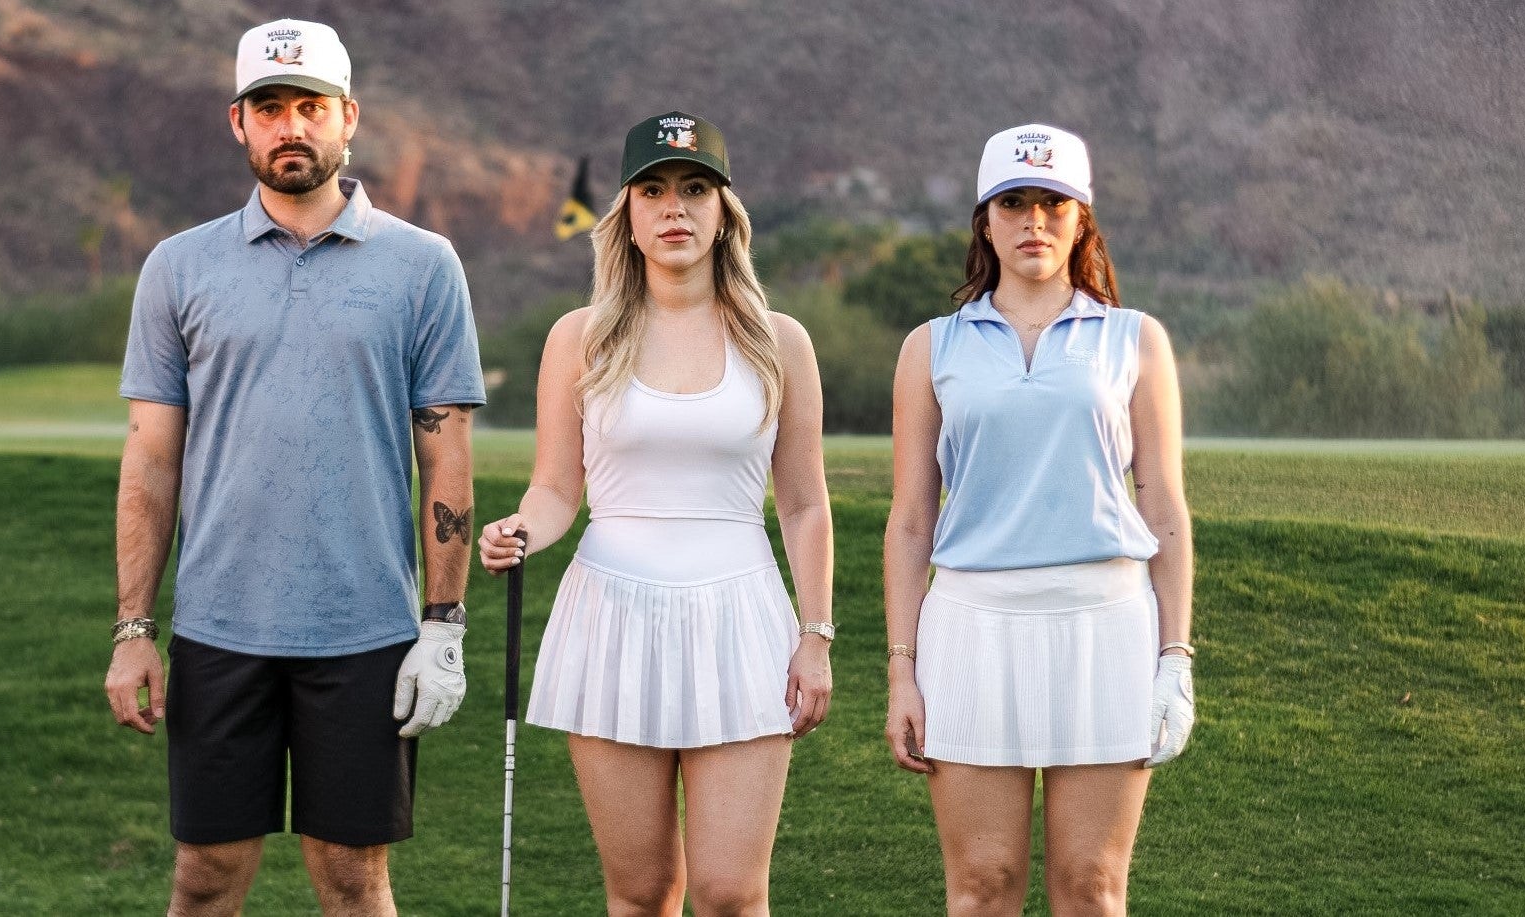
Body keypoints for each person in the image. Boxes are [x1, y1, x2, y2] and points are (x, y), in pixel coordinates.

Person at [103, 18, 486, 917]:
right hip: (219, 629)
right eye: (269, 107)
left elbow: (446, 455)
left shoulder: (423, 266)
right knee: (204, 875)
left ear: (348, 116)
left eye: (310, 106)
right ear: (238, 122)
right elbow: (151, 460)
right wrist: (133, 628)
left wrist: (444, 624)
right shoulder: (178, 266)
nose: (291, 127)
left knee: (354, 878)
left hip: (363, 632)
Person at [477, 110, 835, 917]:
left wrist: (815, 634)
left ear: (724, 213)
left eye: (696, 188)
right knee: (640, 893)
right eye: (654, 190)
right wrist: (521, 528)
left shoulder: (780, 341)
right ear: (628, 216)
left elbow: (805, 503)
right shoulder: (580, 338)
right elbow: (556, 488)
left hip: (742, 619)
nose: (675, 206)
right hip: (611, 617)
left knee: (731, 892)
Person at [882, 124, 1196, 916]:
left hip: (1106, 627)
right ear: (985, 221)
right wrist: (901, 669)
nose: (1033, 222)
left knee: (1091, 887)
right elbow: (912, 521)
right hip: (971, 628)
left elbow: (1163, 506)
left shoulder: (1135, 339)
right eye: (1013, 203)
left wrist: (1175, 659)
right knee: (981, 886)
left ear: (1081, 219)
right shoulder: (931, 348)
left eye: (1053, 204)